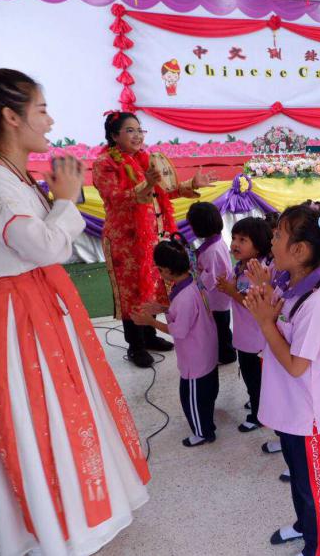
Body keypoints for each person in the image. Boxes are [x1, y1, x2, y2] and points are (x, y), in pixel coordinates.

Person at [0, 59, 150, 555]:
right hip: (14, 316)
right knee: (35, 417)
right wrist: (65, 201)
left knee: (64, 407)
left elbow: (48, 247)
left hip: (35, 302)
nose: (50, 120)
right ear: (10, 116)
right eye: (41, 109)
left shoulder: (8, 174)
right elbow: (42, 245)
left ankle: (81, 515)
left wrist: (62, 203)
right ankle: (56, 527)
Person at [245, 205, 320, 556]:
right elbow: (278, 319)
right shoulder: (291, 285)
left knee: (315, 485)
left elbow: (298, 366)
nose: (271, 241)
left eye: (277, 235)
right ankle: (305, 524)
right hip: (290, 408)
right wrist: (264, 290)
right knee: (300, 477)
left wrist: (265, 323)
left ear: (299, 250)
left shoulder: (316, 303)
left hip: (307, 414)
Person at [93, 111, 213, 367]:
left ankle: (149, 335)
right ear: (114, 135)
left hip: (154, 235)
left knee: (154, 284)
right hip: (126, 240)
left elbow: (164, 193)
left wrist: (192, 184)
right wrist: (145, 185)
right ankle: (135, 346)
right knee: (133, 290)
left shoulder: (146, 158)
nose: (137, 135)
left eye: (139, 130)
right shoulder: (105, 163)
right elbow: (115, 198)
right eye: (130, 130)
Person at [133, 236, 219, 447]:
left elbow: (178, 331)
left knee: (191, 399)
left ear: (168, 271)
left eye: (160, 269)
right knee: (206, 394)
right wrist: (163, 309)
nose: (159, 273)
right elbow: (186, 315)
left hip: (195, 360)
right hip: (206, 352)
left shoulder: (183, 297)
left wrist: (150, 322)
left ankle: (203, 433)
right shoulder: (193, 282)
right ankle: (207, 424)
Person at [215, 216, 273, 432]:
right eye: (234, 238)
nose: (235, 244)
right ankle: (257, 402)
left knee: (256, 379)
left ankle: (259, 415)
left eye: (243, 240)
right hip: (244, 336)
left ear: (258, 246)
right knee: (251, 377)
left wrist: (231, 291)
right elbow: (236, 291)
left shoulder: (259, 271)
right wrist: (226, 286)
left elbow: (253, 304)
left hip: (256, 340)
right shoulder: (240, 266)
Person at [187, 201, 236, 365]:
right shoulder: (215, 242)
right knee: (221, 326)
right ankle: (224, 351)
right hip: (218, 297)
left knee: (220, 328)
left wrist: (195, 277)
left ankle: (227, 355)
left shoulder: (212, 250)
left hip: (217, 299)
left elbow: (210, 278)